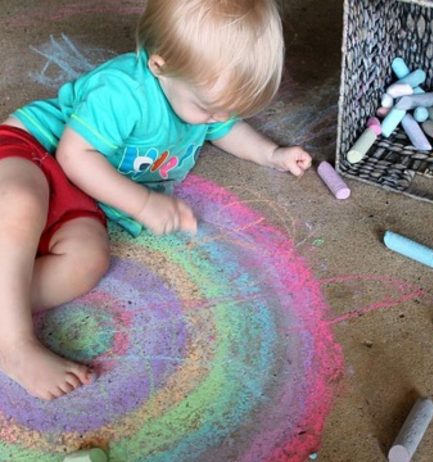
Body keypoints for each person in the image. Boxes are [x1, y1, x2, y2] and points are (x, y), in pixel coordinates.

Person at [0, 0, 312, 400]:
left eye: (228, 110)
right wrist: (144, 204)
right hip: (37, 150)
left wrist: (271, 154)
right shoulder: (122, 91)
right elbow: (75, 157)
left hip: (86, 195)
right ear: (159, 66)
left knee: (88, 262)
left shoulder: (204, 98)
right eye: (208, 109)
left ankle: (4, 303)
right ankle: (13, 345)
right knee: (20, 206)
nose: (218, 118)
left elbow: (226, 128)